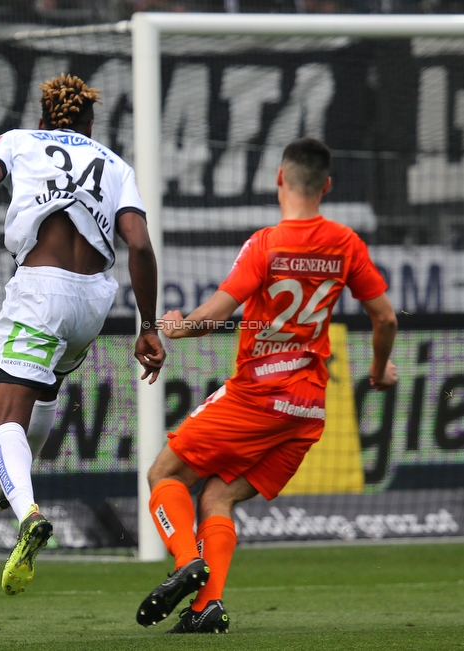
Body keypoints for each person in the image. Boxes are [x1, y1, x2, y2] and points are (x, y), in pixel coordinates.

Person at [0, 74, 165, 595]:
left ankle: (27, 514)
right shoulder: (114, 164)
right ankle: (13, 478)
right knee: (47, 388)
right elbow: (138, 244)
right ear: (91, 125)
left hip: (39, 293)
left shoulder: (19, 140)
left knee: (3, 419)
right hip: (93, 299)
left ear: (44, 121)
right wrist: (149, 325)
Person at [136, 137, 398, 634]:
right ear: (327, 186)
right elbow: (384, 319)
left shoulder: (266, 244)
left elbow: (216, 313)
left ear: (279, 179)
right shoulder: (345, 243)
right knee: (218, 498)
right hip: (309, 411)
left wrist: (175, 326)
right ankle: (204, 609)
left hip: (258, 394)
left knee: (163, 475)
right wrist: (377, 370)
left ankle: (187, 561)